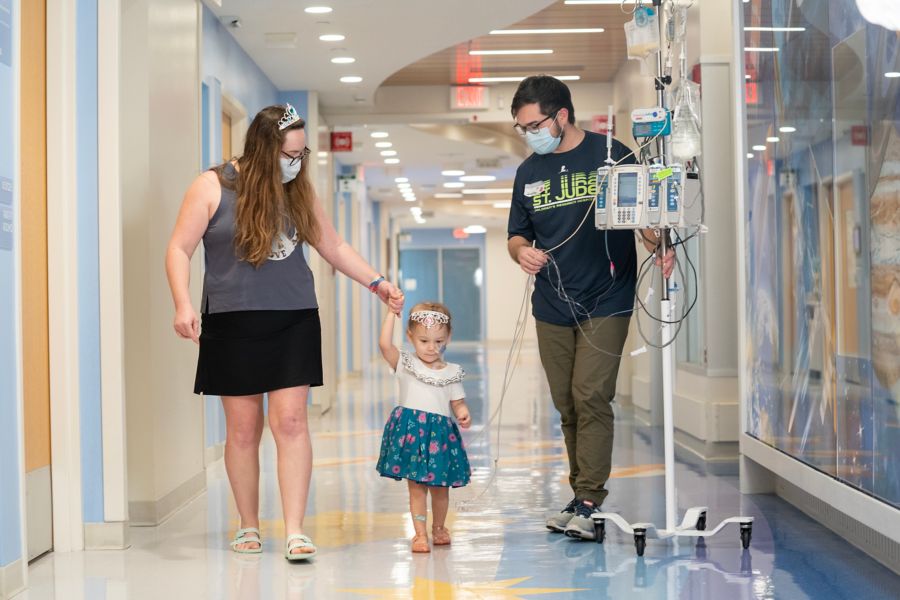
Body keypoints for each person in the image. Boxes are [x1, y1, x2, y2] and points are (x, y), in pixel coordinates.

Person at [165, 103, 404, 561]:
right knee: (242, 428)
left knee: (291, 422)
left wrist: (376, 282)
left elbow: (332, 244)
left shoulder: (297, 190)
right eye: (289, 153)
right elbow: (179, 247)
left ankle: (295, 529)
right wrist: (182, 302)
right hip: (232, 319)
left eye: (301, 153)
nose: (296, 162)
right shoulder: (212, 185)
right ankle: (248, 526)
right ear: (264, 147)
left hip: (293, 316)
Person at [506, 76, 675, 540]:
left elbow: (644, 217)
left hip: (608, 297)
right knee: (566, 404)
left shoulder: (612, 154)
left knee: (591, 395)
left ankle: (589, 500)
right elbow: (516, 234)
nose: (530, 134)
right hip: (552, 304)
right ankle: (579, 494)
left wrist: (660, 241)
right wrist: (521, 251)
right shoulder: (529, 172)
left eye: (534, 124)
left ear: (561, 116)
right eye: (522, 128)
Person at [375, 302, 472, 553]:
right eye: (424, 341)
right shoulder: (405, 364)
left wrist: (462, 414)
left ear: (448, 337)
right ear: (411, 337)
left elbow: (457, 402)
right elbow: (385, 345)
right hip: (411, 435)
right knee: (416, 488)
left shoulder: (452, 372)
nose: (431, 348)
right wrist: (390, 314)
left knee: (440, 488)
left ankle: (439, 528)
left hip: (440, 438)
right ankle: (419, 534)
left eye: (439, 341)